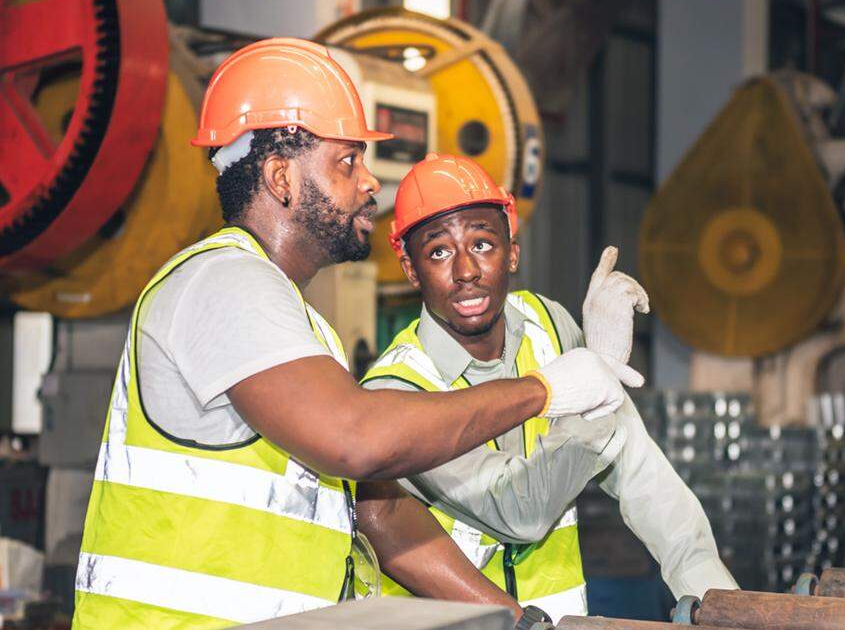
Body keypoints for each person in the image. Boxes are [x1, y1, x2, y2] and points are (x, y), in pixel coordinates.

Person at [71, 38, 639, 630]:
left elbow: (383, 514)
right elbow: (356, 437)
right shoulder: (224, 280)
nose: (371, 183)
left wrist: (518, 621)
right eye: (348, 162)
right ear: (280, 177)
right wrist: (543, 391)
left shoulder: (303, 323)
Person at [361, 153, 739, 621]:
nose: (465, 271)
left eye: (482, 244)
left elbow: (640, 470)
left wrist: (720, 599)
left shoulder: (549, 327)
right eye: (438, 252)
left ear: (513, 250)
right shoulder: (400, 389)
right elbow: (519, 513)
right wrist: (596, 374)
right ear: (411, 269)